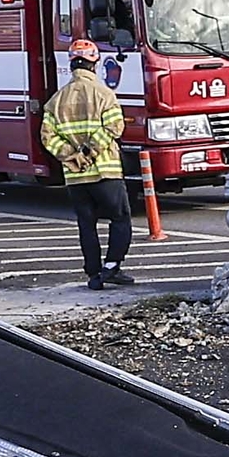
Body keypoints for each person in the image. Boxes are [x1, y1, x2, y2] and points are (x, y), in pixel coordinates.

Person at [39, 39, 135, 288]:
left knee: (86, 224)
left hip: (76, 177)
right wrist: (90, 153)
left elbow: (47, 137)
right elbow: (115, 126)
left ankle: (93, 274)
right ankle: (112, 266)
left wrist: (72, 156)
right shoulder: (104, 94)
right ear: (95, 63)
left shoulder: (56, 100)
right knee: (120, 218)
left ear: (72, 64)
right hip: (105, 171)